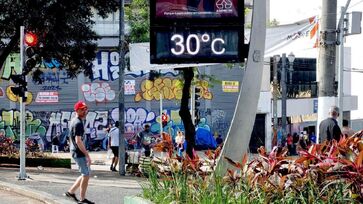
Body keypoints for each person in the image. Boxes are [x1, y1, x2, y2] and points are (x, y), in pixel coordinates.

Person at [64, 101, 94, 204]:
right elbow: (78, 140)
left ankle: (71, 192)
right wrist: (87, 155)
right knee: (86, 175)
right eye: (82, 109)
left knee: (84, 173)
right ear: (77, 110)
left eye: (85, 109)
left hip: (75, 150)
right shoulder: (78, 123)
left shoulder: (74, 121)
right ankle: (82, 199)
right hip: (78, 152)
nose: (85, 111)